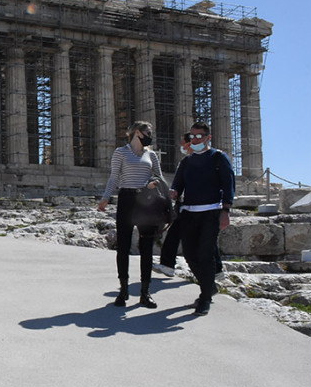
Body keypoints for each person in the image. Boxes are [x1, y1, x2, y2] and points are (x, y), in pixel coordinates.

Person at [170, 121, 235, 316]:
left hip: (211, 212)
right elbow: (178, 185)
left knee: (205, 255)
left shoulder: (218, 158)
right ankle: (209, 287)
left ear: (208, 137)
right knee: (190, 255)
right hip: (189, 212)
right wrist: (173, 192)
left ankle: (205, 298)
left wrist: (226, 211)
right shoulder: (186, 162)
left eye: (199, 136)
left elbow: (228, 184)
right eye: (192, 136)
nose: (195, 139)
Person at [97, 121, 163, 308]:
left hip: (146, 201)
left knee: (147, 247)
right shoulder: (121, 152)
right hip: (126, 199)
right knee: (123, 246)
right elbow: (114, 176)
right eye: (147, 132)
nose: (149, 135)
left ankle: (145, 292)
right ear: (136, 133)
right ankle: (123, 290)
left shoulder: (151, 154)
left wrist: (153, 183)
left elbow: (159, 176)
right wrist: (105, 197)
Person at [154, 132, 224, 278]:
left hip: (198, 207)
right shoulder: (186, 161)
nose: (181, 145)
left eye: (183, 143)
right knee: (178, 235)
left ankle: (214, 272)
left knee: (199, 238)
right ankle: (216, 270)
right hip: (186, 206)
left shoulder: (211, 160)